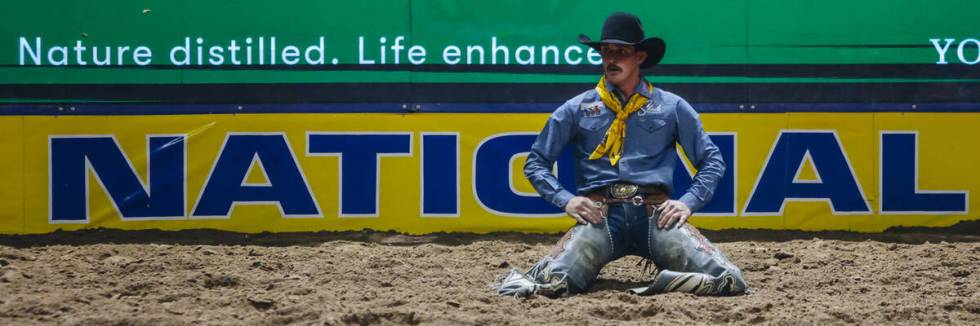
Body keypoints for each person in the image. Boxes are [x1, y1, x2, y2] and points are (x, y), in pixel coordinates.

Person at [495, 12, 748, 297]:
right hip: (600, 217)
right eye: (606, 51)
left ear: (639, 57)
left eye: (621, 52)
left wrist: (688, 203)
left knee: (730, 280)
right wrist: (567, 200)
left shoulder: (671, 106)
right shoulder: (576, 108)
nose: (611, 59)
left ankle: (662, 284)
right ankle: (662, 285)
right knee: (545, 285)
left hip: (656, 216)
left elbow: (712, 161)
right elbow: (536, 162)